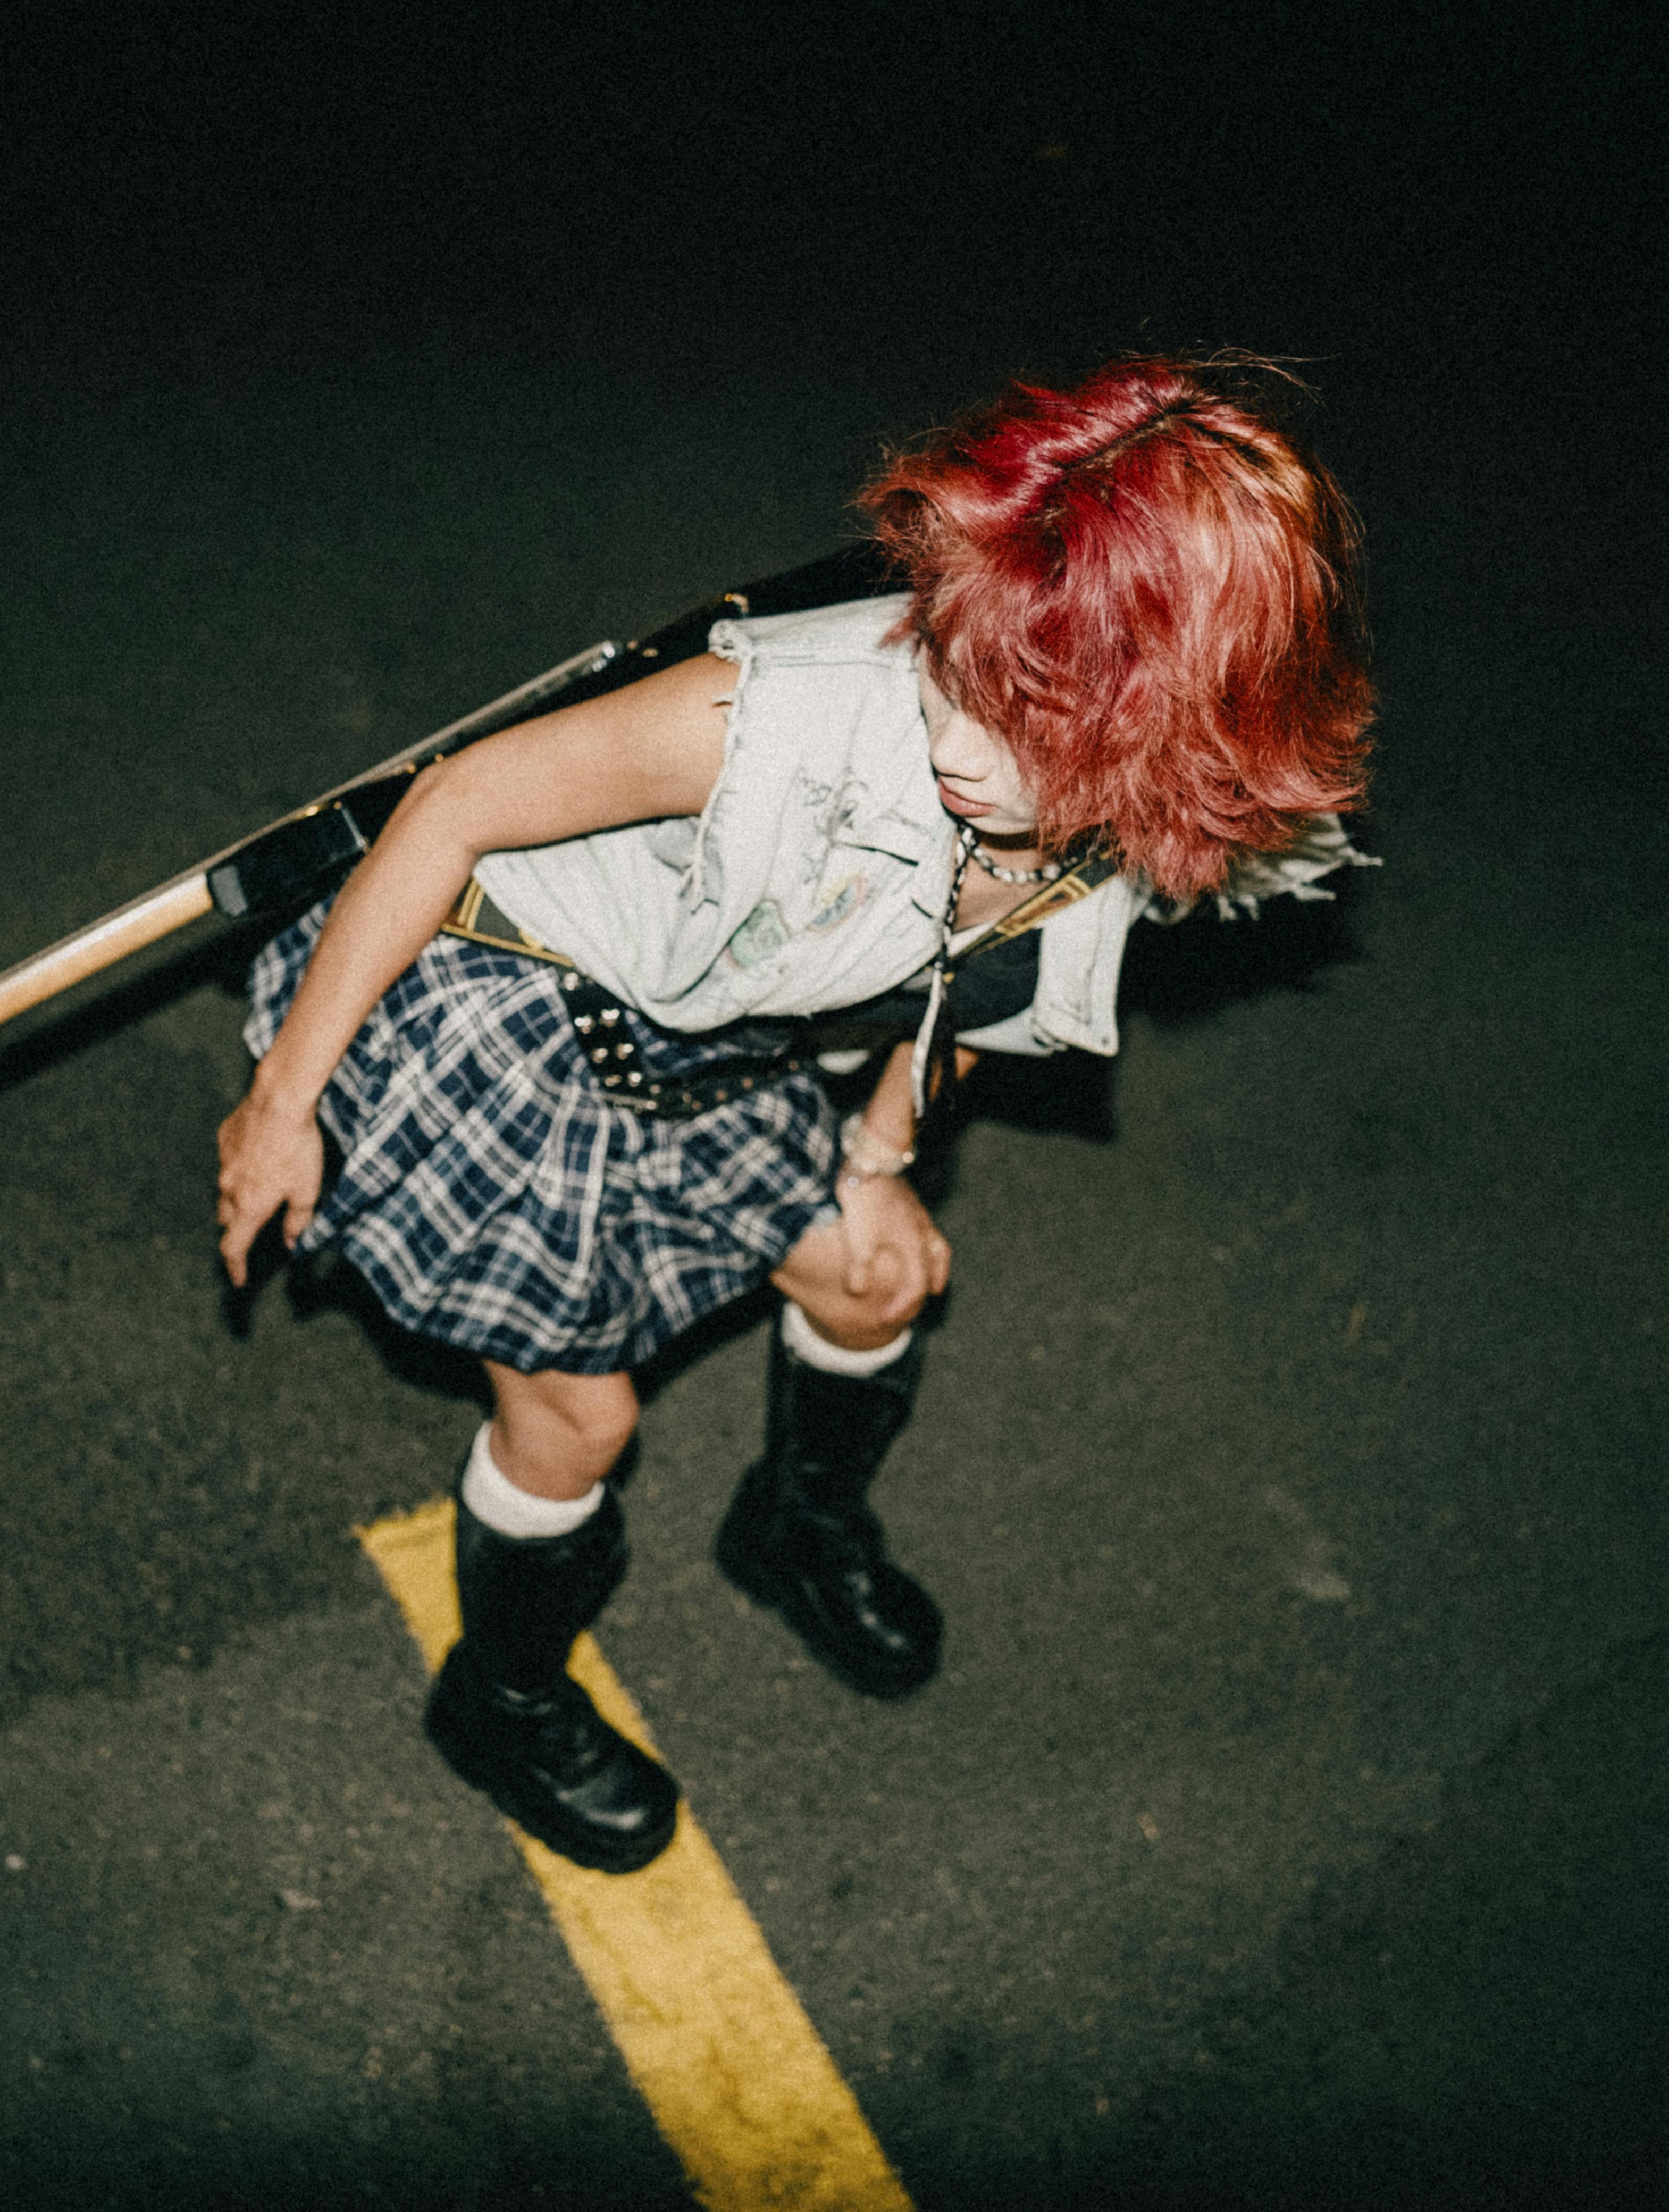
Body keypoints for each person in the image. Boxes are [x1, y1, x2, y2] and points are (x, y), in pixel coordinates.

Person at [215, 355, 1376, 1873]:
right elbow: (450, 808)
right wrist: (283, 1102)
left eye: (1019, 708)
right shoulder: (770, 719)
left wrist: (883, 1157)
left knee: (879, 1269)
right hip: (489, 1002)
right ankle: (498, 1698)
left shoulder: (1159, 798)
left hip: (711, 1039)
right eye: (957, 664)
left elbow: (969, 971)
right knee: (581, 1417)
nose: (958, 736)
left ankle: (793, 1529)